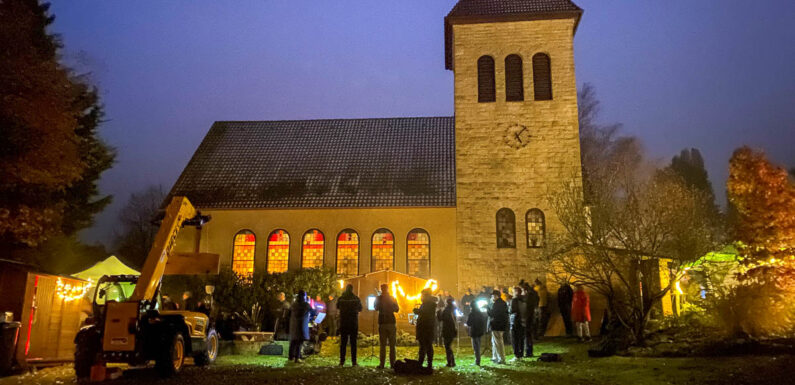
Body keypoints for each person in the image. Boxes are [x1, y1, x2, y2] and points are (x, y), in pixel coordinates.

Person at [374, 284, 399, 369]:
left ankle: (382, 364)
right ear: (388, 289)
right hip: (391, 322)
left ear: (381, 289)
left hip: (382, 322)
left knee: (382, 345)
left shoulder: (378, 298)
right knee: (392, 345)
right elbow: (397, 309)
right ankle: (393, 364)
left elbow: (375, 308)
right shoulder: (392, 298)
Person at [337, 284, 362, 366]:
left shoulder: (341, 298)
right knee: (353, 343)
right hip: (353, 323)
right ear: (352, 289)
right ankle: (354, 362)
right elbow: (360, 308)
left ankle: (342, 361)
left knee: (343, 343)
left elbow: (337, 306)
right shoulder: (356, 298)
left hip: (344, 323)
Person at [288, 290, 316, 363]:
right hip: (301, 325)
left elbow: (289, 313)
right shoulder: (305, 304)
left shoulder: (293, 304)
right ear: (304, 296)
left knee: (293, 341)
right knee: (299, 342)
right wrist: (309, 301)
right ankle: (297, 357)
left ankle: (291, 357)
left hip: (294, 326)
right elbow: (313, 312)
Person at [414, 289, 437, 369]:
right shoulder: (426, 304)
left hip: (426, 328)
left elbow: (426, 314)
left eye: (422, 295)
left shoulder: (430, 304)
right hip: (424, 328)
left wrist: (418, 311)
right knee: (423, 346)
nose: (421, 297)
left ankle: (428, 364)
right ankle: (421, 363)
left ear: (427, 295)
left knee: (427, 346)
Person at [487, 290, 508, 364]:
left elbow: (492, 314)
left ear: (496, 296)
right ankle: (495, 357)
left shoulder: (497, 304)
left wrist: (487, 308)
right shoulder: (502, 303)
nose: (492, 297)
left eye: (493, 296)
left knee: (498, 342)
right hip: (500, 325)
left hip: (497, 325)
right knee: (494, 341)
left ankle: (501, 358)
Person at [465, 302, 487, 366]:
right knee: (478, 346)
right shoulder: (480, 313)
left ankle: (477, 361)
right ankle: (478, 360)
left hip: (474, 332)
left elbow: (469, 323)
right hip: (479, 332)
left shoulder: (471, 314)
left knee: (475, 347)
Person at [509, 286, 527, 362]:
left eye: (513, 292)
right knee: (521, 339)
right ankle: (521, 354)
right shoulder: (524, 299)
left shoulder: (514, 300)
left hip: (516, 322)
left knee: (515, 339)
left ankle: (516, 355)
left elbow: (512, 310)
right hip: (523, 321)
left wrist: (509, 309)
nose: (512, 293)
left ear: (516, 292)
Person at [439, 297, 457, 367]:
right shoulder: (453, 309)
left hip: (447, 330)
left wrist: (439, 313)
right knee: (448, 346)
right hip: (452, 330)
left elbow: (442, 319)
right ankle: (451, 362)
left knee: (447, 347)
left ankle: (451, 362)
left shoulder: (447, 310)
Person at [522, 280, 538, 357]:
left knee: (527, 335)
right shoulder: (532, 295)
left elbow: (527, 309)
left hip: (528, 318)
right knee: (528, 335)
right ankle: (529, 351)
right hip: (530, 318)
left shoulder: (528, 298)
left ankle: (529, 351)